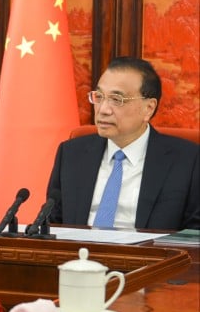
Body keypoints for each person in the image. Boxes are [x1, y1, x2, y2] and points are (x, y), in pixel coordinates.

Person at [46, 56, 199, 230]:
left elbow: (194, 236)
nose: (103, 110)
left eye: (116, 99)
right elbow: (52, 223)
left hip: (148, 248)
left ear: (148, 108)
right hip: (79, 248)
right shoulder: (71, 153)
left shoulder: (188, 162)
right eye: (99, 97)